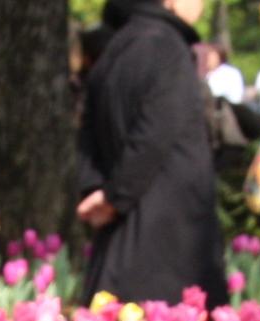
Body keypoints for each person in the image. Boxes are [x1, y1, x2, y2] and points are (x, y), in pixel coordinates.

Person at [75, 0, 226, 305]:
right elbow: (154, 133)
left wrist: (96, 189)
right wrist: (115, 196)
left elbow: (87, 129)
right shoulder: (169, 49)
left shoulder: (115, 47)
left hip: (119, 236)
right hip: (169, 240)